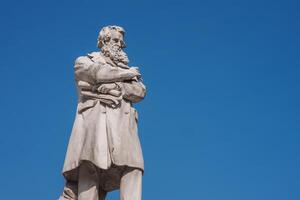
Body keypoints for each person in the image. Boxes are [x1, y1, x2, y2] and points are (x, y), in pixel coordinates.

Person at [60, 25, 146, 200]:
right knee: (90, 168)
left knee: (134, 167)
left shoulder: (128, 70)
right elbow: (95, 73)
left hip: (123, 126)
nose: (120, 44)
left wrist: (113, 86)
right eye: (115, 40)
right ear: (104, 41)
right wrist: (125, 74)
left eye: (122, 42)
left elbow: (138, 91)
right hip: (95, 125)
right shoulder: (85, 60)